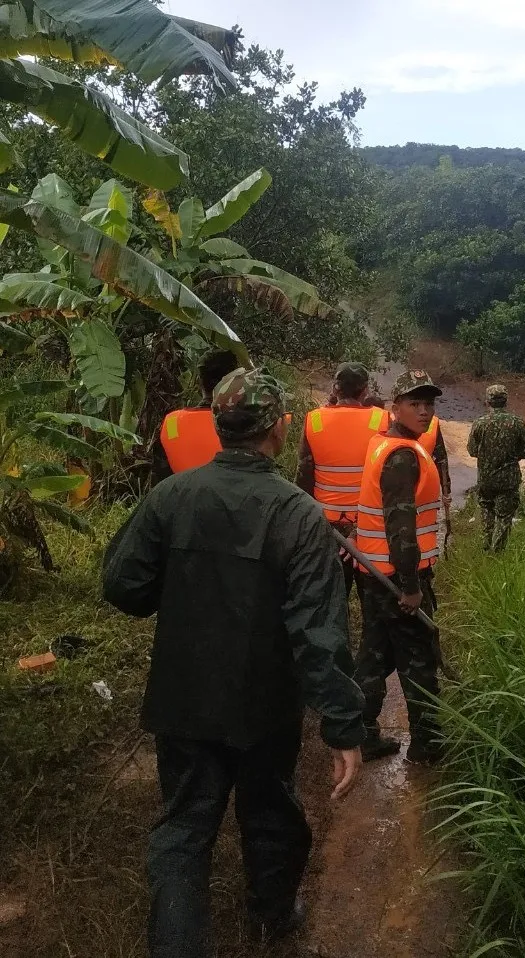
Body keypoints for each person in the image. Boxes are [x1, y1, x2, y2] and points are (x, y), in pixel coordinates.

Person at [102, 367, 365, 956]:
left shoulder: (171, 495)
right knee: (271, 810)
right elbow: (319, 634)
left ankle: (176, 946)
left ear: (220, 427)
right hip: (264, 705)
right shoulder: (300, 515)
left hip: (182, 698)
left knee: (184, 828)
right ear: (278, 428)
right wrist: (344, 727)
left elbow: (123, 586)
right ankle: (276, 913)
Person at [354, 370, 444, 765]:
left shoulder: (384, 442)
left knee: (376, 654)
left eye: (429, 404)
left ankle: (360, 732)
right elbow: (401, 527)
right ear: (396, 407)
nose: (424, 411)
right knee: (419, 663)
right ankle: (426, 747)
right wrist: (410, 585)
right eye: (415, 404)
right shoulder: (403, 455)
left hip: (373, 573)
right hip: (397, 576)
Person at [296, 362, 389, 599]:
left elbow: (304, 476)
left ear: (336, 389)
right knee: (373, 598)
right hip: (368, 525)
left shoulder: (314, 420)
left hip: (328, 526)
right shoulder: (382, 420)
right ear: (365, 390)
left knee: (332, 597)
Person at [467, 384, 525, 553]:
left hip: (486, 479)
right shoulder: (517, 422)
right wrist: (512, 456)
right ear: (506, 401)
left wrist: (488, 456)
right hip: (508, 480)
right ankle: (497, 553)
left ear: (487, 402)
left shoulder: (479, 423)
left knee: (486, 510)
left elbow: (472, 451)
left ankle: (486, 545)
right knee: (504, 517)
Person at [157, 350, 238, 476]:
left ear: (199, 381)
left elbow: (162, 472)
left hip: (180, 493)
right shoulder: (241, 423)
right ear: (235, 382)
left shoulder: (172, 422)